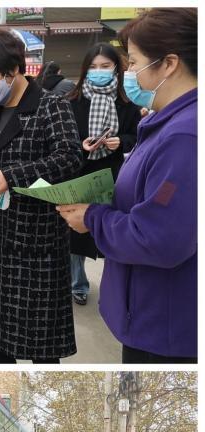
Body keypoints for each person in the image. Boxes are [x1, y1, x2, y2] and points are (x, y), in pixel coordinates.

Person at [56, 8, 197, 363]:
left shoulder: (184, 136)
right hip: (151, 313)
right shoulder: (170, 124)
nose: (128, 73)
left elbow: (159, 237)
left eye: (132, 63)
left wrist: (94, 218)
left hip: (162, 324)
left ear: (168, 64)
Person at [0, 29, 83, 363]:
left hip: (37, 242)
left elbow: (68, 158)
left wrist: (11, 176)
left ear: (13, 70)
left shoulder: (51, 107)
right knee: (0, 344)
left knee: (41, 346)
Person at [61, 44, 142, 307]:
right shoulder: (73, 100)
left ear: (116, 68)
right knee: (76, 233)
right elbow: (62, 141)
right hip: (80, 174)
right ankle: (78, 283)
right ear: (85, 71)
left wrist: (123, 141)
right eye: (93, 67)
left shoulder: (128, 102)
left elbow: (137, 135)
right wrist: (80, 146)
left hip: (113, 175)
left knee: (110, 234)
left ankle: (114, 289)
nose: (98, 72)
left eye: (105, 66)